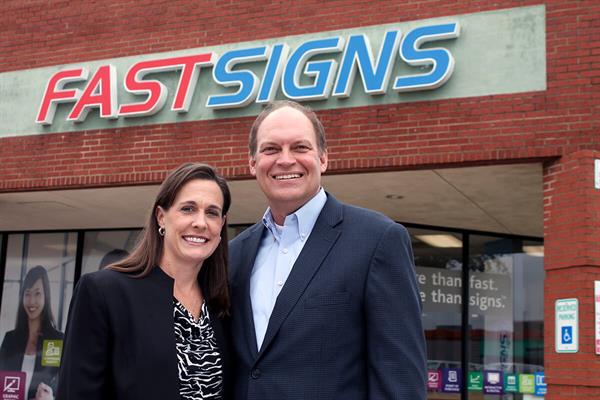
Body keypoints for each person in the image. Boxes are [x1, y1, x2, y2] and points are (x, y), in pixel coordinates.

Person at [228, 100, 427, 399]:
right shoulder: (234, 255)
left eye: (300, 147)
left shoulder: (378, 240)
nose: (285, 160)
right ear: (253, 163)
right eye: (271, 149)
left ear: (322, 159)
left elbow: (399, 379)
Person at [57, 163, 232, 400]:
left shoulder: (222, 303)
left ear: (221, 224)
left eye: (212, 212)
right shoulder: (104, 292)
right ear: (161, 217)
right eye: (188, 209)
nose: (200, 223)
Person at [0, 265, 64, 400]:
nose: (31, 301)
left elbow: (64, 387)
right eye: (27, 293)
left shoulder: (57, 340)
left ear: (46, 297)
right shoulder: (10, 339)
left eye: (37, 293)